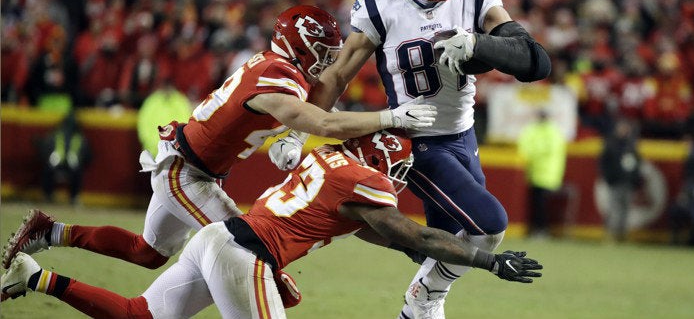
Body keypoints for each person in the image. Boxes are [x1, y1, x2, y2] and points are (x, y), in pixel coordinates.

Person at [2, 5, 436, 295]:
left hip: (194, 166)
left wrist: (294, 135)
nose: (326, 61)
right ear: (300, 46)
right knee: (252, 251)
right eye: (321, 52)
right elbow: (322, 121)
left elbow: (320, 106)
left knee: (148, 255)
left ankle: (50, 232)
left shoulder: (277, 68)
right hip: (187, 172)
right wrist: (390, 118)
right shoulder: (276, 77)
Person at [268, 0, 551, 318]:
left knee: (445, 243)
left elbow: (534, 59)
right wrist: (297, 132)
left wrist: (477, 41)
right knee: (488, 227)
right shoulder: (382, 7)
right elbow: (338, 74)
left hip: (464, 138)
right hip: (414, 140)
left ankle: (426, 304)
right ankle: (423, 301)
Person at [1, 129, 543, 317]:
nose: (397, 181)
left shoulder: (326, 158)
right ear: (383, 163)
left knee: (140, 315)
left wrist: (427, 255)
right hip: (247, 257)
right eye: (396, 171)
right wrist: (488, 258)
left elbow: (386, 235)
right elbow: (413, 233)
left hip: (216, 238)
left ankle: (36, 276)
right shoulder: (369, 182)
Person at [517, 109, 567, 238]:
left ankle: (542, 230)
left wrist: (532, 154)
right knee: (536, 204)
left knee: (541, 204)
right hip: (536, 174)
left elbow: (532, 149)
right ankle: (538, 229)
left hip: (546, 175)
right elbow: (525, 147)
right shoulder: (547, 131)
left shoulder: (551, 132)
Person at [599, 118, 642, 242]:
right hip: (615, 181)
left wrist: (635, 180)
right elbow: (604, 163)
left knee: (625, 210)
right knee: (614, 209)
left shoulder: (631, 144)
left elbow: (637, 163)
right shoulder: (611, 144)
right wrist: (609, 178)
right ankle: (611, 235)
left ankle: (622, 236)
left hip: (628, 182)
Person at [37, 110, 91, 205]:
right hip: (57, 165)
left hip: (71, 167)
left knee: (77, 170)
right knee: (49, 168)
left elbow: (88, 155)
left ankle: (73, 197)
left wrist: (78, 160)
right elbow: (44, 149)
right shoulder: (56, 135)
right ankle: (48, 196)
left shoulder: (79, 138)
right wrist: (50, 158)